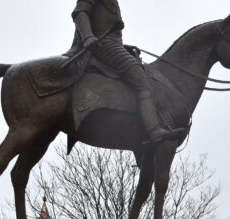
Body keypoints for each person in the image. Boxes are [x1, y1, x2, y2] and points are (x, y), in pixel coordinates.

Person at [68, 0, 182, 143]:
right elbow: (80, 12)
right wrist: (87, 36)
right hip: (103, 46)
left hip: (113, 45)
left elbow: (107, 31)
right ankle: (154, 130)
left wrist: (124, 47)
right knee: (142, 81)